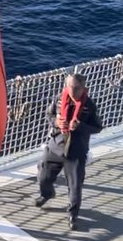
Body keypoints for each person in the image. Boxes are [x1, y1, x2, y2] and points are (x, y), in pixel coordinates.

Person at [35, 73, 103, 229]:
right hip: (55, 146)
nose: (72, 90)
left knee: (74, 185)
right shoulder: (58, 99)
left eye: (76, 88)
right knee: (43, 175)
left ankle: (72, 214)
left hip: (75, 151)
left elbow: (97, 127)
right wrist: (56, 122)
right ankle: (47, 194)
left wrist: (81, 127)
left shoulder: (89, 106)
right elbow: (49, 114)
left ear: (84, 88)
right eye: (69, 86)